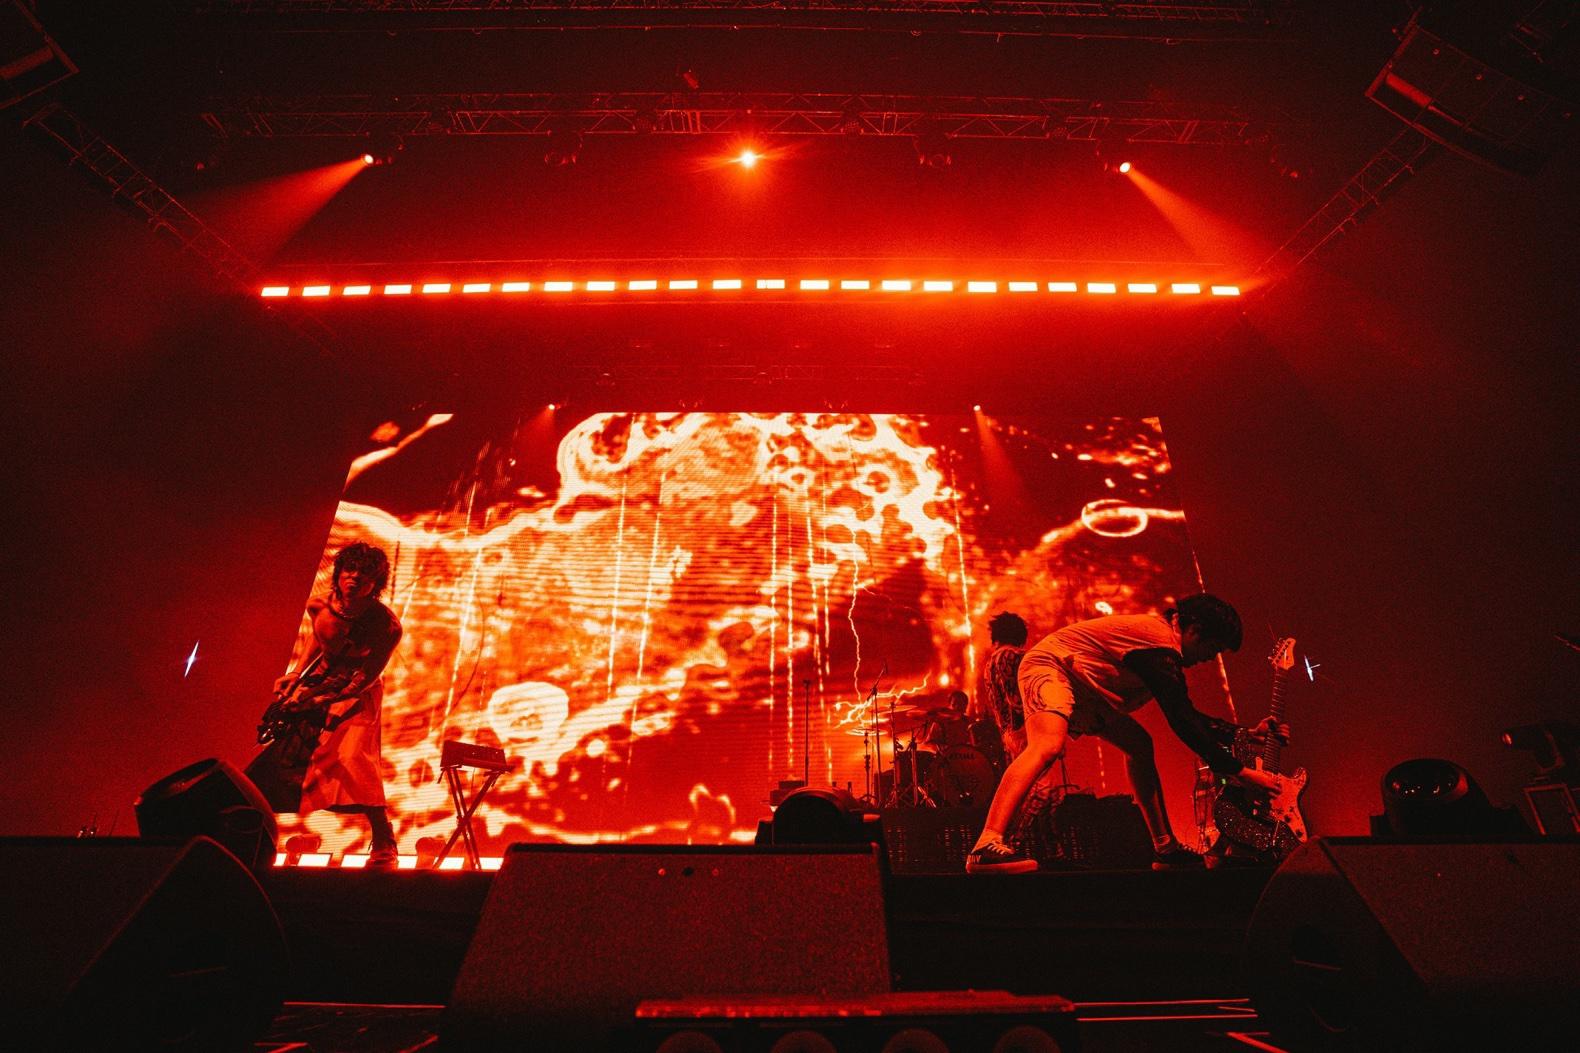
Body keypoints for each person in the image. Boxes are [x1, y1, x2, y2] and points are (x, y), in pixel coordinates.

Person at [966, 595, 1288, 874]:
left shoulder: (1162, 646)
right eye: (1212, 648)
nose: (1209, 659)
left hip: (1085, 689)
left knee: (1139, 745)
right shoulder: (1159, 644)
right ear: (1194, 630)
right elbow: (1182, 719)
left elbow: (1186, 714)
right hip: (1052, 667)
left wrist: (1242, 733)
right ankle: (986, 845)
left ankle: (1165, 849)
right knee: (1047, 745)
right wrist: (1241, 772)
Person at [270, 541, 404, 867]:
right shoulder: (320, 606)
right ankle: (258, 831)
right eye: (350, 569)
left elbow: (366, 677)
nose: (355, 577)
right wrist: (296, 675)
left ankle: (383, 838)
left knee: (353, 756)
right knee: (288, 756)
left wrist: (323, 698)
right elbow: (318, 638)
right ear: (339, 573)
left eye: (364, 574)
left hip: (357, 692)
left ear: (375, 583)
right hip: (319, 681)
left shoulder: (385, 625)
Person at [974, 611, 1057, 847]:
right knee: (1043, 790)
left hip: (1009, 733)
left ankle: (1049, 848)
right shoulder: (1014, 656)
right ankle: (1011, 841)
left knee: (1033, 791)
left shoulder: (990, 663)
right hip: (1026, 730)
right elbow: (1016, 700)